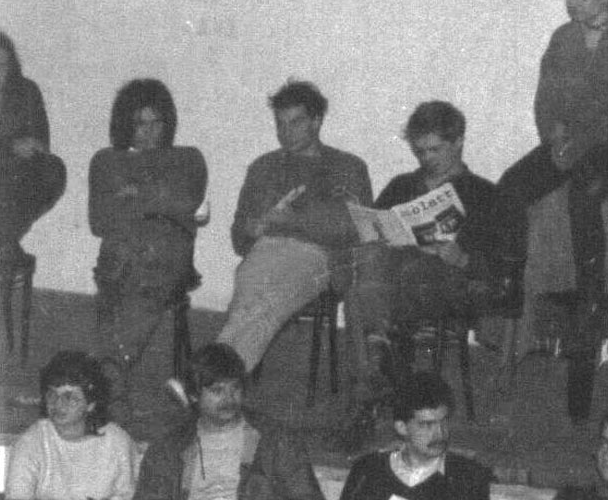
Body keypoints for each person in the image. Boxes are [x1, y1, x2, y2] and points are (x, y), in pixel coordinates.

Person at [497, 0, 608, 423]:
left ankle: (589, 303)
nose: (572, 4)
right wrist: (555, 137)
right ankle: (509, 282)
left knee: (584, 193)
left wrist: (578, 143)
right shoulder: (563, 38)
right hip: (567, 142)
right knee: (511, 186)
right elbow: (544, 101)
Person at [343, 101, 512, 422]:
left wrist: (463, 259)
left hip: (447, 286)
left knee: (382, 285)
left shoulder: (484, 194)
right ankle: (378, 369)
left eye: (435, 150)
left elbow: (499, 263)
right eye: (420, 152)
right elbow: (374, 230)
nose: (427, 159)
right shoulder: (402, 185)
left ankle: (377, 373)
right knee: (366, 276)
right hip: (395, 282)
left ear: (458, 141)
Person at [217, 79, 372, 372]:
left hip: (318, 257)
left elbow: (355, 229)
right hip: (265, 253)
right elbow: (239, 239)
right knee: (256, 296)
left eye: (296, 122)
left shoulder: (347, 167)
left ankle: (211, 376)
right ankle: (219, 377)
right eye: (280, 123)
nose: (286, 132)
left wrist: (295, 220)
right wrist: (252, 229)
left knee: (260, 302)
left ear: (316, 121)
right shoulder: (263, 167)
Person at [89, 78, 207, 422]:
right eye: (140, 124)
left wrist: (133, 194)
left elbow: (187, 204)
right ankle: (112, 377)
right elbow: (100, 220)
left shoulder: (188, 158)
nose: (150, 132)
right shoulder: (106, 160)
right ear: (125, 125)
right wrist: (158, 198)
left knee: (147, 258)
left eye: (158, 123)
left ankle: (109, 379)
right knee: (132, 255)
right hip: (124, 253)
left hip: (166, 254)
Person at [135, 343, 324, 500]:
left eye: (235, 388)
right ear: (193, 395)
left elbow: (307, 495)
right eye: (217, 391)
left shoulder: (276, 440)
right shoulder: (168, 449)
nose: (229, 398)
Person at [339, 371, 493, 500]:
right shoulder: (368, 472)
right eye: (427, 425)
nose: (439, 434)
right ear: (402, 428)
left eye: (443, 422)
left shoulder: (468, 478)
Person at [5, 350, 136, 500]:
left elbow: (128, 495)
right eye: (52, 394)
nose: (58, 403)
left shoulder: (117, 442)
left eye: (69, 397)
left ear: (91, 404)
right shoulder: (32, 442)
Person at [0, 29, 66, 269]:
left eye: (1, 66)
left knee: (52, 169)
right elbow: (12, 147)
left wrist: (20, 150)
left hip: (5, 180)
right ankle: (2, 245)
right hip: (1, 165)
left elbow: (39, 146)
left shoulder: (25, 93)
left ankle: (1, 241)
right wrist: (8, 146)